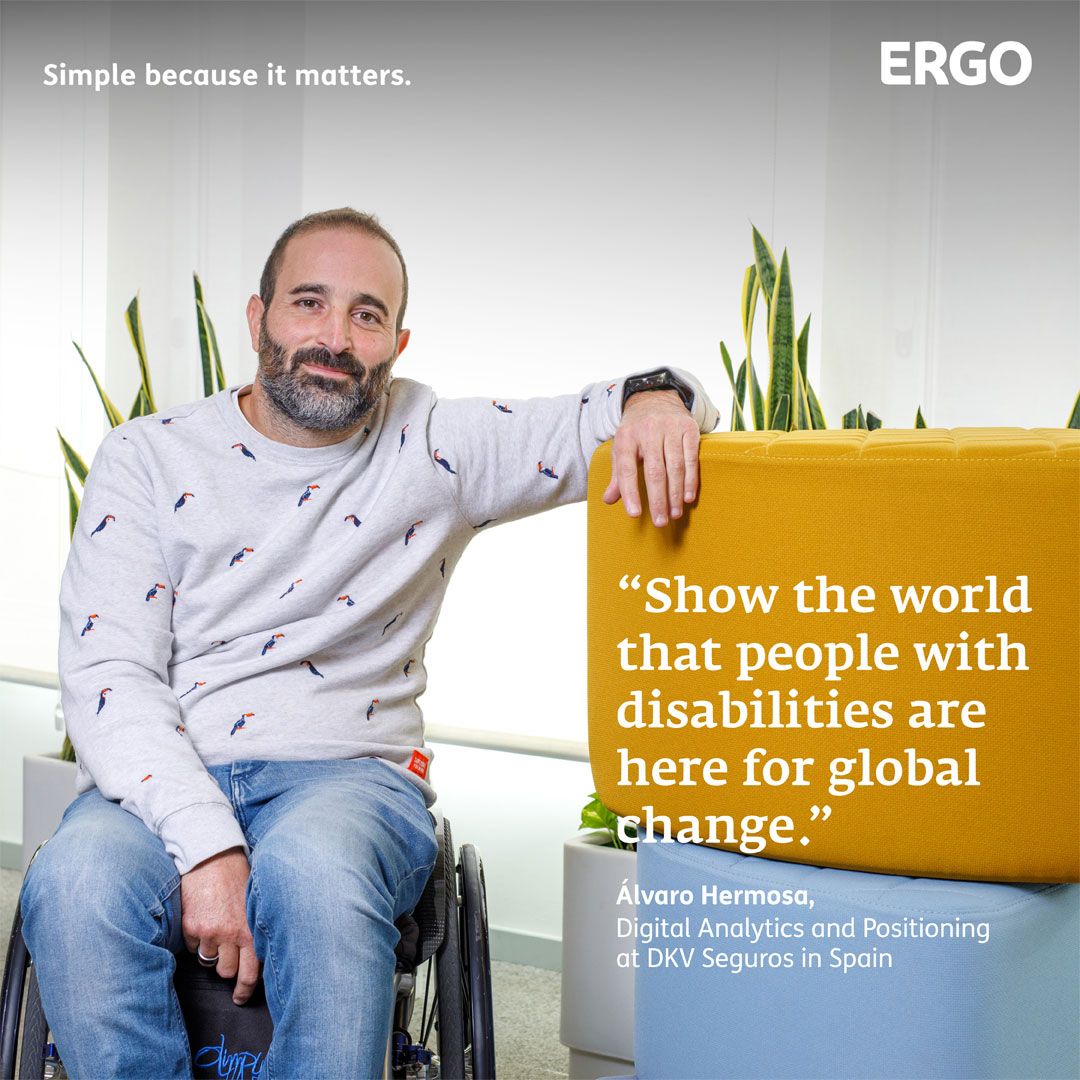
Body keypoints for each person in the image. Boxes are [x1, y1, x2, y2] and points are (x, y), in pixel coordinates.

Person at [19, 208, 719, 1078]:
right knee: (76, 886)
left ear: (397, 341)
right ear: (257, 317)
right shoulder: (147, 459)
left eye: (366, 314)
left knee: (314, 874)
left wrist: (658, 396)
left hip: (347, 777)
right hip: (165, 774)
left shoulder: (433, 443)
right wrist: (206, 843)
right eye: (308, 303)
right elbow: (110, 675)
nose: (334, 337)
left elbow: (617, 413)